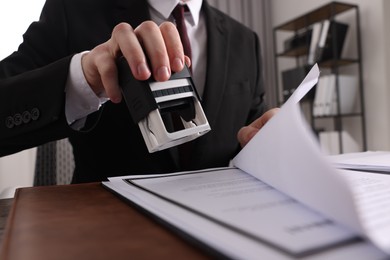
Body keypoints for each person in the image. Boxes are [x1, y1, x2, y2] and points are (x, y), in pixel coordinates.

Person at [0, 0, 278, 183]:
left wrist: (273, 138)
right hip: (107, 236)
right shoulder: (72, 10)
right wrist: (82, 78)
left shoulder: (246, 39)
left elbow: (249, 130)